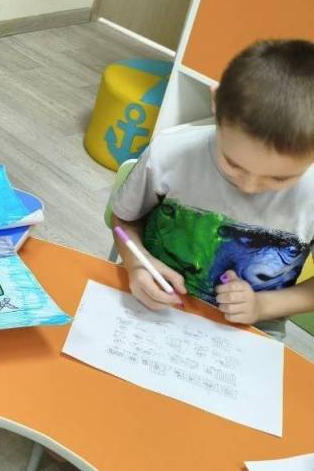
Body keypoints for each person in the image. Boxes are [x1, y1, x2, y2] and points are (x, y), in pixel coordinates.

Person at [111, 39, 314, 337]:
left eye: (279, 179)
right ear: (217, 102)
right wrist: (136, 265)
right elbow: (124, 220)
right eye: (233, 164)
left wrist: (261, 306)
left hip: (250, 329)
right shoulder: (170, 154)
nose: (249, 186)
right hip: (149, 304)